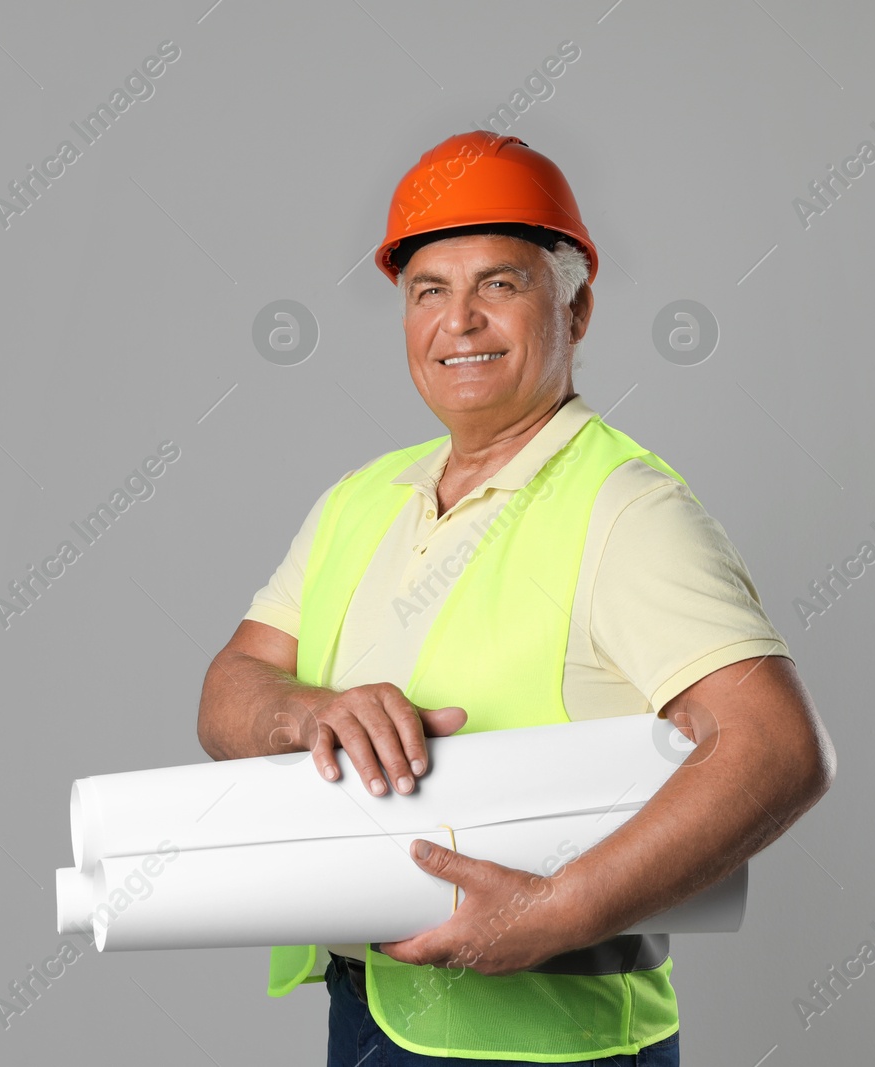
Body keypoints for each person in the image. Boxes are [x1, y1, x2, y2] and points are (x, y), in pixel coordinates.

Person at [196, 130, 835, 1065]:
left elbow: (778, 748)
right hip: (368, 1008)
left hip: (549, 1040)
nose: (460, 320)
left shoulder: (624, 506)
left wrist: (557, 909)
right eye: (429, 290)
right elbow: (230, 689)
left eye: (500, 283)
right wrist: (308, 712)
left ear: (575, 313)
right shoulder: (360, 501)